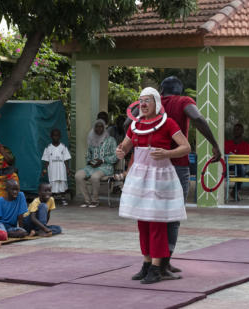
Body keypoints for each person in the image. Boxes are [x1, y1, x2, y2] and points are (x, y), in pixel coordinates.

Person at [117, 87, 190, 284]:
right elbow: (126, 145)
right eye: (141, 100)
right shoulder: (135, 124)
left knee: (157, 222)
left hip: (160, 177)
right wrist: (121, 151)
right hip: (140, 176)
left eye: (147, 100)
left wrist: (167, 153)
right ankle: (147, 263)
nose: (143, 104)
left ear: (156, 102)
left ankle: (158, 267)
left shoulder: (168, 123)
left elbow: (186, 147)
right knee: (143, 222)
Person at [159, 76, 221, 276]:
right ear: (180, 90)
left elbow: (128, 122)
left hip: (155, 166)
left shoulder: (152, 103)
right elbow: (198, 119)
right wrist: (214, 144)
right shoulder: (183, 101)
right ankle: (165, 262)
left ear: (161, 90)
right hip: (177, 165)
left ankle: (156, 262)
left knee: (155, 215)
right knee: (174, 214)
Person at [75, 119, 117, 208]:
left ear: (104, 128)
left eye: (101, 126)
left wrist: (102, 160)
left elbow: (115, 156)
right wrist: (90, 161)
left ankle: (95, 200)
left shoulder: (111, 140)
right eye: (97, 126)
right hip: (92, 167)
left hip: (106, 167)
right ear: (94, 128)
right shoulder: (91, 139)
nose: (99, 128)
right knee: (78, 175)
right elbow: (88, 155)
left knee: (95, 177)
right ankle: (87, 200)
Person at [41, 128, 71, 206]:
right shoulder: (48, 147)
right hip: (52, 169)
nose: (56, 137)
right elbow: (46, 160)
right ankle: (52, 199)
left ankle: (63, 198)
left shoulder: (63, 147)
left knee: (62, 183)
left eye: (57, 135)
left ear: (60, 136)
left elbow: (66, 159)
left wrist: (67, 169)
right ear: (51, 136)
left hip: (61, 169)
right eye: (54, 135)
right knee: (52, 183)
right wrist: (44, 169)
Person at [225, 123, 249, 195]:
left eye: (238, 129)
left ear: (242, 132)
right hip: (228, 166)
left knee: (242, 168)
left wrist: (237, 159)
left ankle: (235, 191)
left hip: (240, 167)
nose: (235, 131)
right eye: (234, 130)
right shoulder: (227, 143)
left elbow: (246, 162)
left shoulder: (246, 145)